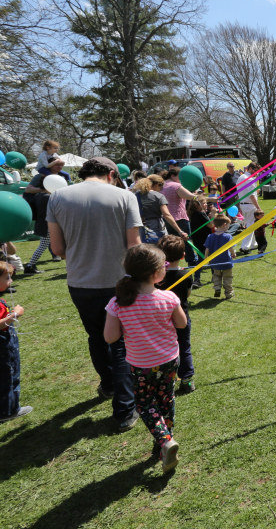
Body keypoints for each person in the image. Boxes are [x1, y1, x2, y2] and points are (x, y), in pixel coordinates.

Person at [48, 157, 142, 432]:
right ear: (111, 174)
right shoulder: (125, 196)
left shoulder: (58, 196)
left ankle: (109, 385)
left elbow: (57, 248)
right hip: (119, 282)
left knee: (97, 337)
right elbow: (134, 245)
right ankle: (125, 408)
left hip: (81, 283)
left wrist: (82, 257)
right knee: (121, 342)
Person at [104, 244, 186, 472]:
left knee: (145, 403)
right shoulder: (169, 298)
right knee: (166, 399)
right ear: (156, 272)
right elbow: (182, 324)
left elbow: (110, 337)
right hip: (169, 360)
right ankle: (165, 440)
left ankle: (164, 441)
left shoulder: (118, 303)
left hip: (142, 365)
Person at [155, 236, 196, 394]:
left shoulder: (156, 277)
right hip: (181, 318)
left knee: (161, 348)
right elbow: (188, 294)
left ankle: (162, 378)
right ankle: (187, 380)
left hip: (160, 320)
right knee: (183, 347)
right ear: (183, 255)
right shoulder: (185, 274)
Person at [22, 155, 67, 273]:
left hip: (44, 224)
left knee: (45, 245)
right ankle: (29, 266)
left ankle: (30, 266)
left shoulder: (40, 195)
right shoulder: (48, 197)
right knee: (44, 245)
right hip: (48, 225)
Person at [161, 168, 203, 287]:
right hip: (180, 220)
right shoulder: (176, 186)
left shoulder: (161, 186)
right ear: (173, 175)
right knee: (189, 249)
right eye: (180, 176)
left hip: (166, 220)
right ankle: (195, 279)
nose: (182, 179)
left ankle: (169, 278)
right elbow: (192, 197)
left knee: (169, 249)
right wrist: (209, 198)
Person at [0, 262, 30, 423]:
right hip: (3, 345)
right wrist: (14, 316)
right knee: (8, 374)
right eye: (7, 278)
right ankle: (8, 411)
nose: (10, 281)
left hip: (6, 341)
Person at [133, 175, 187, 245]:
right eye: (161, 188)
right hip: (156, 228)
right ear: (157, 185)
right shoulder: (158, 196)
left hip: (139, 227)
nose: (161, 190)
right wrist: (180, 231)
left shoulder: (135, 196)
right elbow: (167, 215)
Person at [205, 216, 235, 299]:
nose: (228, 227)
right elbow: (230, 248)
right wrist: (234, 254)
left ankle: (217, 288)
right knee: (227, 277)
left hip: (214, 262)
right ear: (224, 225)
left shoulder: (210, 236)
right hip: (226, 261)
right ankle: (229, 293)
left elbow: (207, 249)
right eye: (228, 225)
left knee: (216, 276)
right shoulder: (228, 236)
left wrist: (206, 258)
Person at [236, 162, 262, 254]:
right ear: (250, 168)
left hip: (243, 204)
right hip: (250, 205)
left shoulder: (241, 177)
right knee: (251, 225)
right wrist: (258, 208)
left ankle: (253, 244)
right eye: (255, 171)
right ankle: (244, 247)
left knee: (251, 224)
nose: (256, 173)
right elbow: (252, 196)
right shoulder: (249, 179)